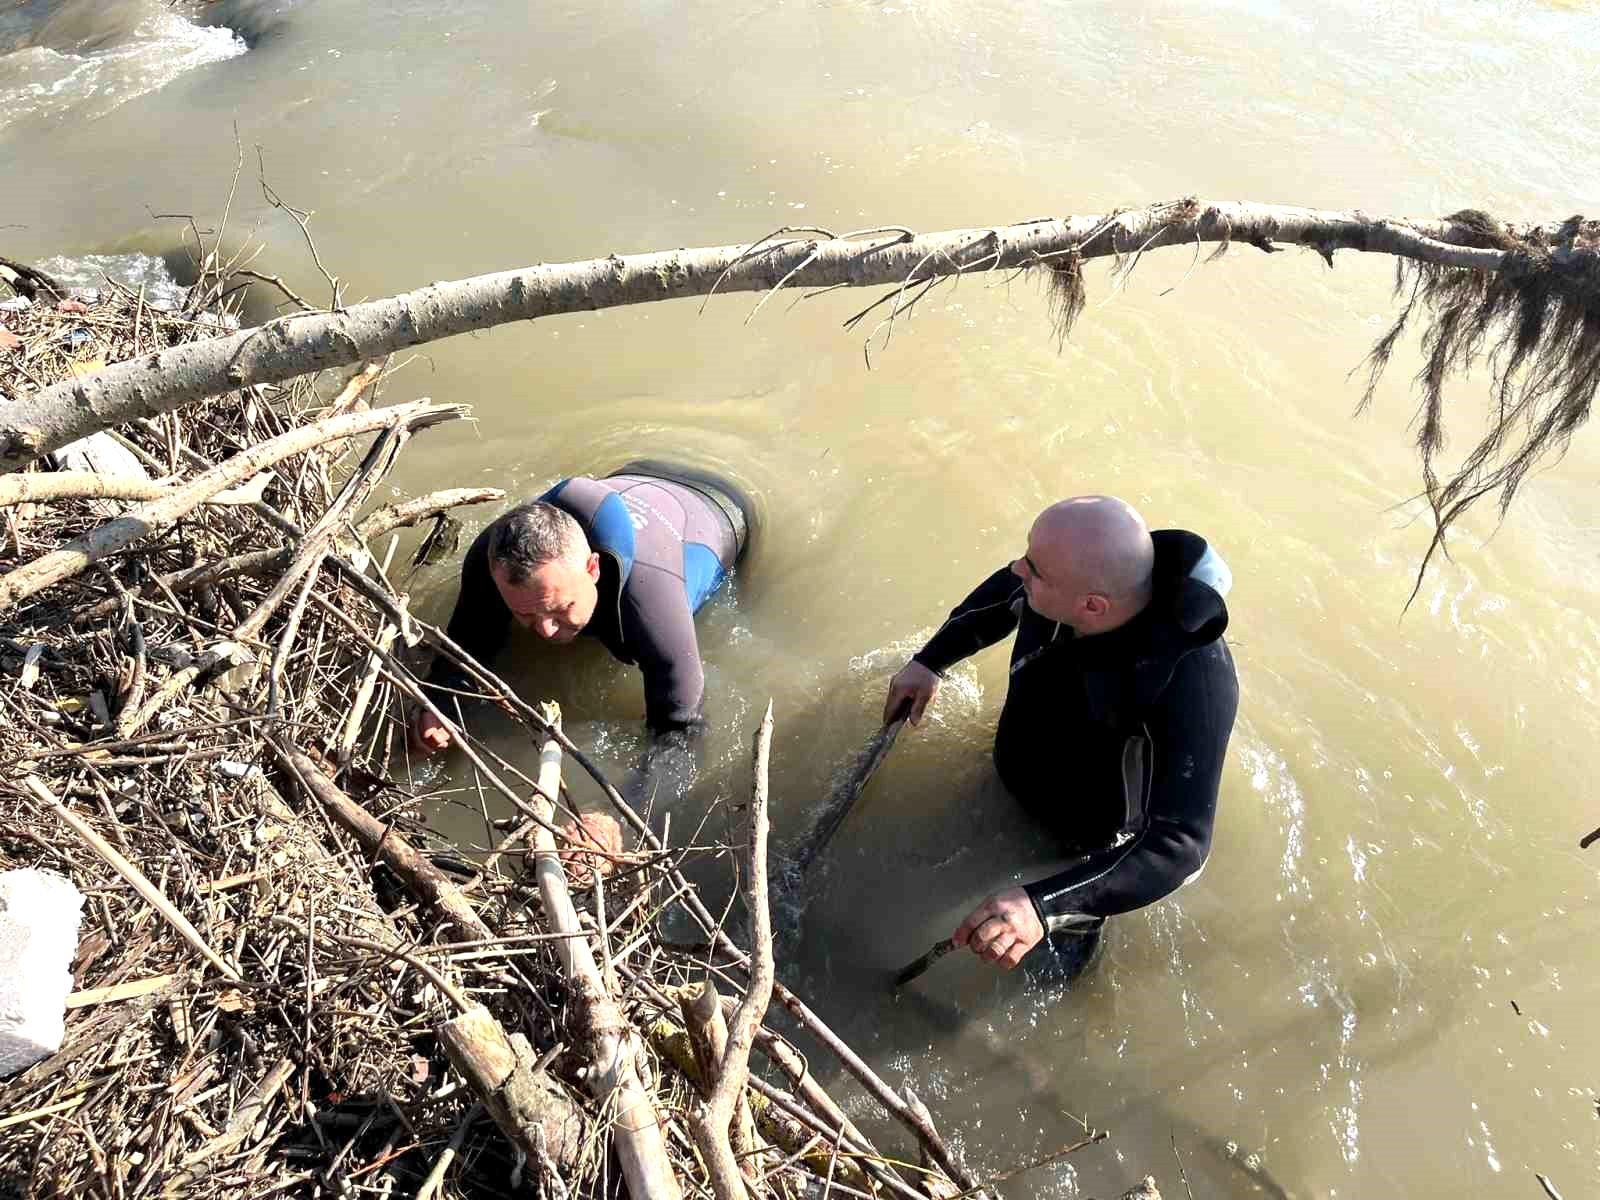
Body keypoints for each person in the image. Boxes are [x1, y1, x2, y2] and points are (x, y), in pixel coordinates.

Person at [882, 495, 1237, 975]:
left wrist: (1042, 906)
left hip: (1085, 842)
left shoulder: (1194, 682)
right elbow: (1004, 593)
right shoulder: (1061, 581)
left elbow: (1181, 845)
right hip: (1017, 767)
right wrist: (931, 661)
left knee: (1043, 984)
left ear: (1092, 604)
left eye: (1033, 569)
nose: (1016, 568)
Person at [413, 462, 754, 771]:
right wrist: (439, 704)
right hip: (637, 470)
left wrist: (621, 814)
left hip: (722, 508)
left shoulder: (648, 600)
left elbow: (680, 735)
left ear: (593, 569)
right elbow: (465, 646)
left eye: (561, 609)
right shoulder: (492, 559)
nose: (545, 632)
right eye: (525, 614)